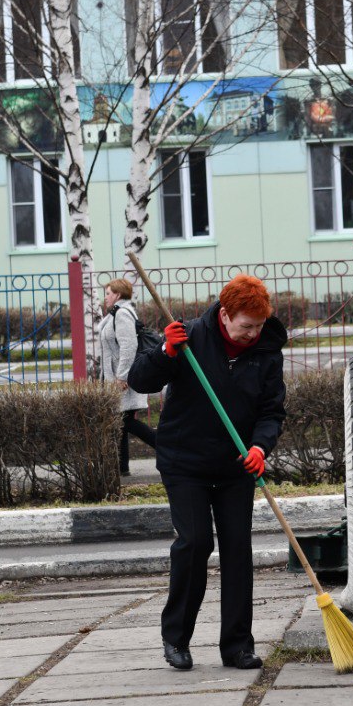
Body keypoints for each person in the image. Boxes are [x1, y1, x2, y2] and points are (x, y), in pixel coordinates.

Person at [128, 274, 287, 671]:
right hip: (185, 463)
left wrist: (258, 447)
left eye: (259, 325)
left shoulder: (267, 350)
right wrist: (166, 351)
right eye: (245, 326)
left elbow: (271, 410)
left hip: (236, 466)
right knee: (196, 543)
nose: (253, 333)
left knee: (237, 550)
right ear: (226, 314)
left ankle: (237, 646)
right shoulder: (190, 337)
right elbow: (139, 379)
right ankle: (176, 638)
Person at [98, 278, 157, 477]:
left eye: (107, 293)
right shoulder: (115, 313)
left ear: (117, 294)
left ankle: (166, 446)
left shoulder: (122, 314)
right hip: (116, 376)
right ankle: (122, 467)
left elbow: (128, 345)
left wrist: (121, 376)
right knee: (121, 420)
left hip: (122, 378)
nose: (105, 297)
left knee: (123, 420)